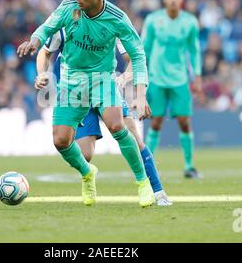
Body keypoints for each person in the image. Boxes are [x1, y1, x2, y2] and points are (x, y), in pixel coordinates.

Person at [17, 0, 155, 207]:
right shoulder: (68, 8)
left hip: (102, 79)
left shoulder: (117, 18)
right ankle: (87, 173)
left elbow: (138, 55)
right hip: (71, 82)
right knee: (61, 141)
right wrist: (34, 41)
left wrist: (140, 95)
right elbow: (47, 28)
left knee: (116, 125)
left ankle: (143, 183)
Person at [36, 28, 172, 206]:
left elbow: (132, 59)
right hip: (76, 92)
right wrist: (42, 74)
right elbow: (44, 53)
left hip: (104, 87)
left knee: (132, 135)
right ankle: (87, 172)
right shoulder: (65, 25)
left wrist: (124, 78)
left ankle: (158, 191)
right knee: (85, 154)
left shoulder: (108, 24)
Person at [142, 0, 202, 179]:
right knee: (156, 122)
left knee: (185, 122)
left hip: (180, 79)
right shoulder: (153, 20)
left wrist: (198, 76)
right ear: (164, 0)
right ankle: (147, 164)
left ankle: (189, 166)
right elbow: (145, 48)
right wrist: (141, 74)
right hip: (157, 78)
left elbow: (194, 50)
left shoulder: (190, 22)